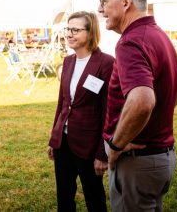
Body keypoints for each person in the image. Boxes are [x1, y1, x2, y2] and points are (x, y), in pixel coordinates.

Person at [98, 0, 177, 212]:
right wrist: (151, 123)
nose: (100, 9)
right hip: (159, 159)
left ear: (125, 2)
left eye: (104, 1)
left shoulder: (131, 41)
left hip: (137, 163)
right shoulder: (158, 35)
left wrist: (115, 146)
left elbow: (142, 101)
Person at [47, 11, 114, 212]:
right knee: (64, 197)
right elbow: (62, 103)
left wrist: (103, 153)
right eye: (68, 29)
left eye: (75, 30)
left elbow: (108, 111)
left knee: (94, 197)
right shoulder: (68, 62)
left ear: (90, 32)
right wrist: (54, 138)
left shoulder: (106, 63)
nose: (69, 33)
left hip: (89, 144)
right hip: (63, 143)